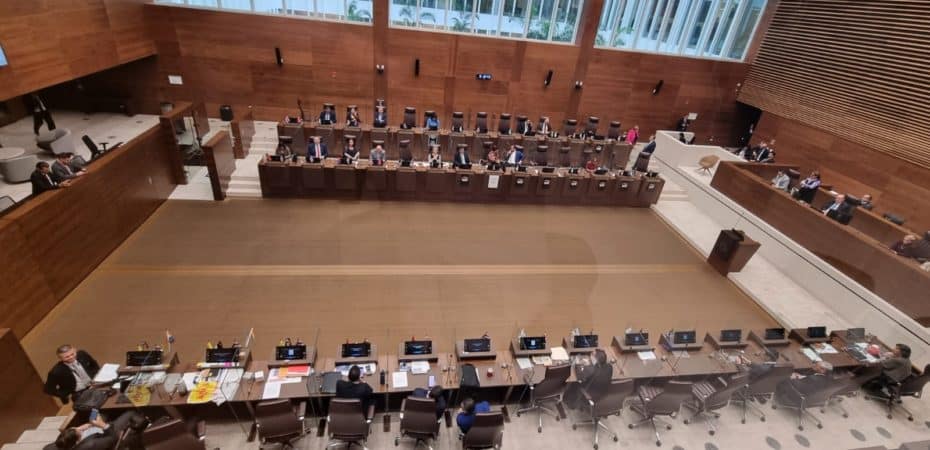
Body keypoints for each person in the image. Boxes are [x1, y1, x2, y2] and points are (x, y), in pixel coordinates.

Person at [54, 411, 141, 450]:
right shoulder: (91, 445)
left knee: (100, 413)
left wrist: (88, 425)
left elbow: (80, 430)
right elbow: (113, 438)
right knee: (130, 413)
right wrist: (102, 425)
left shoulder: (70, 441)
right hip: (110, 433)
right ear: (77, 440)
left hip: (96, 430)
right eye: (78, 430)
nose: (79, 428)